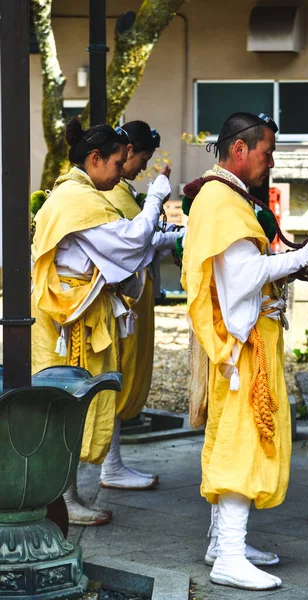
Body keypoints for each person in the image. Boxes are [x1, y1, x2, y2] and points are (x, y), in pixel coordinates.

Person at [181, 112, 308, 591]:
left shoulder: (222, 196)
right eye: (267, 151)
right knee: (240, 445)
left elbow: (246, 269)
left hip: (242, 344)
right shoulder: (222, 201)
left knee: (232, 438)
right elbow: (243, 277)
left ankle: (222, 542)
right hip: (241, 349)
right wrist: (307, 256)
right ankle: (228, 556)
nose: (271, 160)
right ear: (241, 149)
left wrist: (290, 260)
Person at [31, 118, 181, 526]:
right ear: (94, 159)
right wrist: (156, 198)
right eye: (117, 163)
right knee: (68, 407)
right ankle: (62, 499)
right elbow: (131, 243)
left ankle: (68, 496)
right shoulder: (78, 199)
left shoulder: (77, 193)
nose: (120, 171)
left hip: (76, 317)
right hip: (69, 324)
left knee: (80, 403)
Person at [100, 121, 178, 490]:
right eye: (141, 158)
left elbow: (143, 238)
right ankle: (109, 465)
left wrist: (172, 237)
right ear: (126, 152)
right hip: (120, 300)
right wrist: (156, 199)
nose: (142, 167)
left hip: (132, 296)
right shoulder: (110, 194)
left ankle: (112, 464)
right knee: (116, 374)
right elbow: (133, 242)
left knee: (123, 373)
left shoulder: (122, 191)